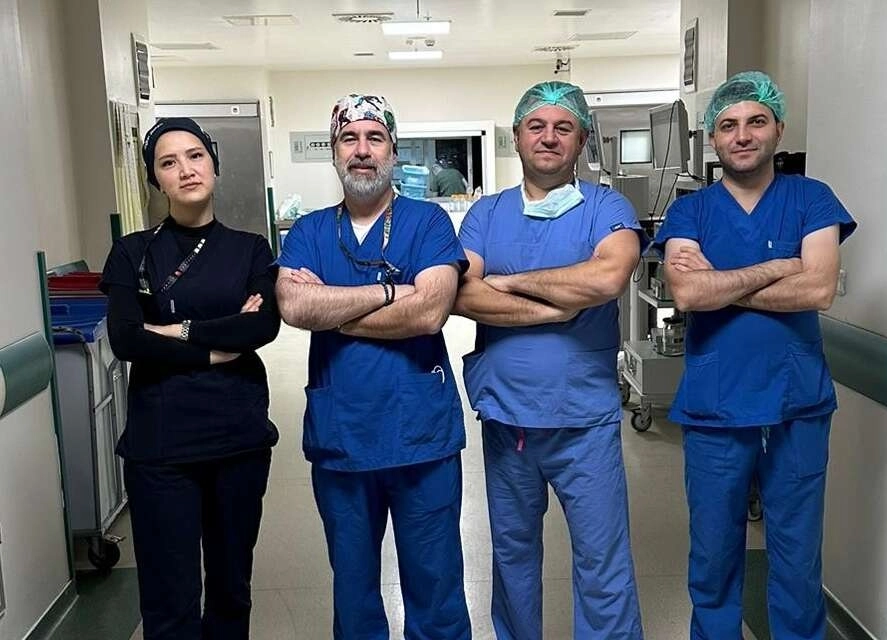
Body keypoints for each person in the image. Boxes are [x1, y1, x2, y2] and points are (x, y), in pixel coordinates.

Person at [652, 71, 857, 640]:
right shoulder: (690, 212)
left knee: (797, 555)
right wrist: (779, 267)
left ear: (778, 130)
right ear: (712, 139)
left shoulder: (812, 199)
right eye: (728, 125)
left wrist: (723, 283)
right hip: (716, 407)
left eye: (756, 122)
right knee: (713, 555)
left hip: (798, 405)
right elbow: (688, 293)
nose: (742, 135)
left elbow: (819, 289)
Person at [275, 94, 471, 639]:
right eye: (349, 138)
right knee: (354, 594)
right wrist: (390, 291)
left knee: (436, 589)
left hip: (421, 437)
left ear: (392, 150)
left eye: (374, 138)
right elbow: (294, 306)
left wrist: (333, 309)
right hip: (343, 438)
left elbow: (430, 312)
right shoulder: (310, 230)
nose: (361, 150)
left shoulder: (428, 222)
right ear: (334, 151)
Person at [454, 81, 645, 640]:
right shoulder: (486, 214)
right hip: (508, 419)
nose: (549, 137)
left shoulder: (607, 207)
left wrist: (506, 283)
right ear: (516, 136)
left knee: (603, 561)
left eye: (564, 128)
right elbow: (462, 293)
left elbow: (607, 278)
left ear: (581, 140)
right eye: (536, 126)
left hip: (584, 423)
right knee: (512, 558)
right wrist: (558, 306)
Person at [99, 117, 281, 640]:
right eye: (168, 162)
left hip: (237, 440)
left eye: (195, 156)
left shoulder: (250, 249)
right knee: (169, 599)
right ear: (156, 180)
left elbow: (261, 326)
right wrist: (214, 349)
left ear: (214, 165)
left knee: (230, 590)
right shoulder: (133, 252)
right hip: (161, 449)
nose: (185, 170)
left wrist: (174, 329)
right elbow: (127, 339)